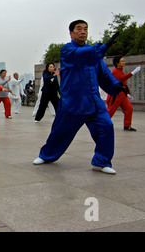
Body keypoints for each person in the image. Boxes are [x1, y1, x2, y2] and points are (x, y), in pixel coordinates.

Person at [33, 20, 125, 174]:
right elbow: (83, 56)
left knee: (106, 127)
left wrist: (115, 85)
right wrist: (100, 49)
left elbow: (104, 73)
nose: (83, 32)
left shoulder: (94, 53)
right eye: (79, 29)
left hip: (94, 102)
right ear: (71, 33)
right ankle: (47, 155)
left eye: (85, 29)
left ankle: (101, 161)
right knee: (60, 132)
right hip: (73, 102)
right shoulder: (68, 51)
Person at [106, 55, 141, 131]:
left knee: (129, 109)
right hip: (116, 94)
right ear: (117, 63)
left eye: (124, 61)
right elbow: (122, 79)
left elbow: (123, 83)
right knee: (110, 111)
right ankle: (102, 124)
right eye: (122, 61)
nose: (124, 62)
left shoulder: (120, 70)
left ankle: (127, 126)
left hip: (122, 94)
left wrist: (127, 94)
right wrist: (133, 73)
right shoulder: (115, 72)